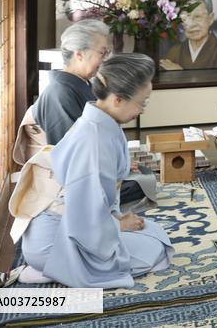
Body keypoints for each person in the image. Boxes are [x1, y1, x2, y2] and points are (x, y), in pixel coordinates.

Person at [17, 54, 174, 288]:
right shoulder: (92, 139)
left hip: (76, 224)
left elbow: (95, 200)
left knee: (154, 231)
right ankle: (52, 268)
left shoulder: (100, 120)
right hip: (54, 240)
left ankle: (59, 266)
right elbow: (84, 213)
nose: (142, 109)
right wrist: (118, 225)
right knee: (157, 252)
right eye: (142, 103)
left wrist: (117, 218)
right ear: (118, 99)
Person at [32, 19, 154, 205]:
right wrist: (115, 168)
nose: (106, 59)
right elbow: (71, 156)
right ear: (79, 54)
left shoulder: (84, 83)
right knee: (141, 183)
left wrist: (120, 163)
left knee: (143, 178)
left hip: (94, 165)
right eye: (102, 53)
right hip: (69, 184)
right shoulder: (59, 92)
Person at [161, 0, 217, 70]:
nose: (191, 24)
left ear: (210, 19)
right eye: (185, 17)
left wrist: (181, 74)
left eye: (197, 16)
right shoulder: (174, 52)